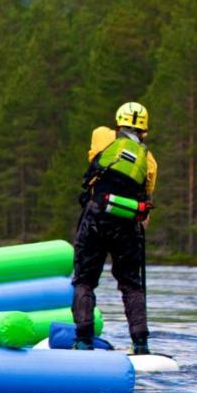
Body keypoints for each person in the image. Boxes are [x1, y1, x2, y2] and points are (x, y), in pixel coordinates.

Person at [71, 101, 158, 354]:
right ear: (145, 131)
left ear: (118, 122)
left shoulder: (101, 136)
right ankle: (140, 344)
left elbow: (92, 165)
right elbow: (146, 201)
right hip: (127, 226)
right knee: (131, 284)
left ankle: (84, 340)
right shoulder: (149, 160)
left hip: (96, 219)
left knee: (84, 281)